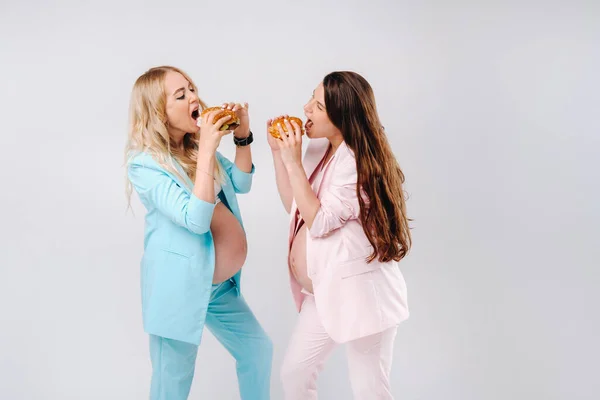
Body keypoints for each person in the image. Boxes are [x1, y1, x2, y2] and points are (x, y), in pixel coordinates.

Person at [125, 66, 272, 400]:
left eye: (191, 89)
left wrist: (242, 136)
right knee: (172, 383)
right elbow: (196, 219)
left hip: (217, 289)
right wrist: (207, 148)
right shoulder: (145, 164)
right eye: (181, 95)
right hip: (179, 287)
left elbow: (242, 183)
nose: (194, 97)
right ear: (158, 113)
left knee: (257, 350)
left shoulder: (193, 149)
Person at [267, 71, 412, 400]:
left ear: (341, 117)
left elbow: (320, 223)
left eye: (317, 106)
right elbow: (296, 205)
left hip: (363, 295)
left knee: (369, 389)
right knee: (295, 374)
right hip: (326, 288)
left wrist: (292, 162)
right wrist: (280, 155)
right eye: (311, 98)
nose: (306, 108)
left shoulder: (355, 161)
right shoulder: (321, 147)